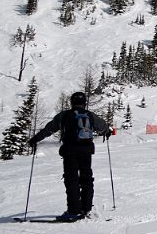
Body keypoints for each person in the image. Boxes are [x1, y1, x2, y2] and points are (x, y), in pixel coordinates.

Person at [28, 92, 114, 221]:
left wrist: (35, 139)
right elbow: (103, 127)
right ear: (84, 102)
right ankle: (86, 207)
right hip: (86, 151)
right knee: (86, 178)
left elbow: (49, 129)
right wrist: (107, 132)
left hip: (70, 152)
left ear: (72, 102)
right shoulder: (90, 115)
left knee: (71, 180)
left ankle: (73, 210)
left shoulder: (64, 115)